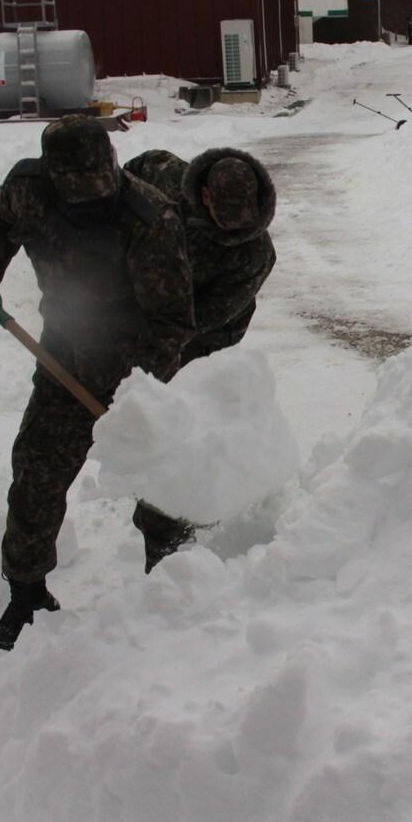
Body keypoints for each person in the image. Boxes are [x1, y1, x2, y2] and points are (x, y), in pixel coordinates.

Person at [0, 116, 195, 655]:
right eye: (77, 195)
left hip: (137, 363)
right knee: (37, 469)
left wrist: (135, 395)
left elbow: (173, 321)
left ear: (112, 166)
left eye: (98, 192)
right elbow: (0, 221)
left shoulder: (149, 217)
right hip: (63, 351)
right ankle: (27, 593)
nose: (90, 203)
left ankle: (177, 580)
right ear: (53, 177)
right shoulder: (28, 189)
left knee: (159, 475)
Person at [122, 147, 278, 571]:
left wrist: (149, 330)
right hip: (154, 312)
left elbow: (200, 318)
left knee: (184, 424)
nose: (234, 229)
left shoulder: (256, 253)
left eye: (243, 219)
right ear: (205, 195)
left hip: (205, 337)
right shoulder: (168, 176)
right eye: (224, 217)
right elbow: (128, 176)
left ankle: (168, 532)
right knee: (147, 418)